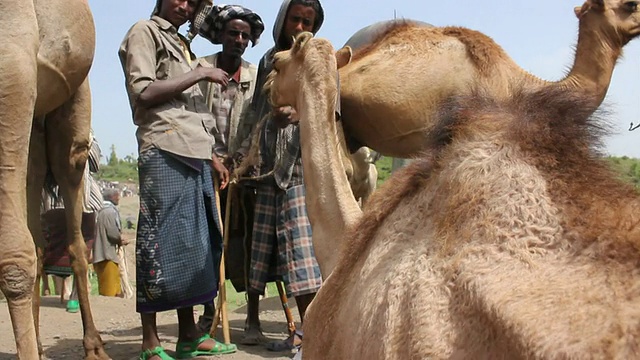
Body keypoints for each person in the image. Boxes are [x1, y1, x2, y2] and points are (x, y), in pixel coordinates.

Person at [118, 0, 235, 358]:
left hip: (195, 152)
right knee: (156, 241)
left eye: (192, 2)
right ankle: (150, 342)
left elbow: (192, 112)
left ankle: (189, 336)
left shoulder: (183, 45)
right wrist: (200, 73)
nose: (184, 6)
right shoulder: (144, 31)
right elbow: (144, 92)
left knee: (194, 246)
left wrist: (213, 157)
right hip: (164, 148)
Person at [234, 0, 325, 351]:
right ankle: (253, 319)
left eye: (308, 21)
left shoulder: (318, 60)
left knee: (301, 249)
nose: (300, 28)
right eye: (295, 19)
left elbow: (330, 109)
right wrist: (241, 157)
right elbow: (255, 112)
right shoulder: (268, 61)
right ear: (283, 20)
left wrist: (300, 115)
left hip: (302, 169)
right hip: (267, 167)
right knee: (260, 247)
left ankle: (307, 330)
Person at [194, 4, 264, 333]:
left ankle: (252, 317)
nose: (238, 39)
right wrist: (213, 159)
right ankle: (208, 316)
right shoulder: (200, 68)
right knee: (208, 243)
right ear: (221, 35)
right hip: (205, 170)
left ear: (250, 42)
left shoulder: (254, 75)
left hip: (243, 173)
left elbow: (257, 124)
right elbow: (192, 116)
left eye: (244, 36)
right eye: (233, 33)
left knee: (249, 242)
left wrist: (239, 160)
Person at [92, 188, 126, 297]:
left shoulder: (100, 210)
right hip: (107, 255)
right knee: (110, 291)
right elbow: (112, 233)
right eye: (117, 196)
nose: (119, 198)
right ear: (112, 197)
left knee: (105, 287)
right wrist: (120, 240)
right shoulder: (109, 212)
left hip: (99, 254)